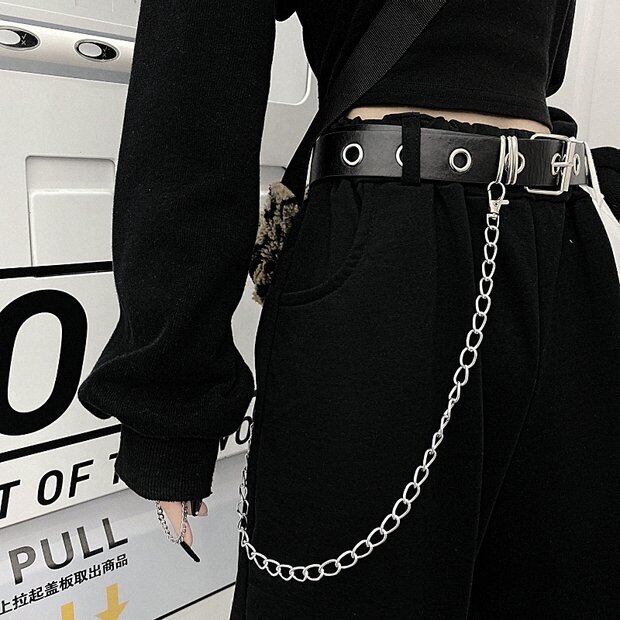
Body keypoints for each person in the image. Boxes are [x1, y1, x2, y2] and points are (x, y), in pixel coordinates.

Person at [77, 1, 619, 617]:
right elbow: (196, 75)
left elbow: (534, 68)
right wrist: (169, 403)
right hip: (391, 251)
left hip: (559, 241)